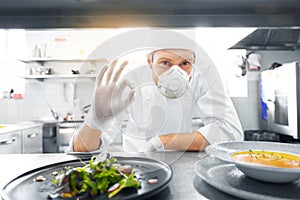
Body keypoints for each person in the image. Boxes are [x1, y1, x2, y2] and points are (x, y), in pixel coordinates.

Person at [69, 47, 243, 154]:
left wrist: (162, 142)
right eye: (165, 63)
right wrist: (95, 119)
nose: (176, 74)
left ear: (194, 62)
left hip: (183, 164)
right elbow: (82, 151)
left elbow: (230, 135)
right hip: (136, 167)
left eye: (185, 64)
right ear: (149, 60)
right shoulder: (130, 79)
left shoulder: (203, 77)